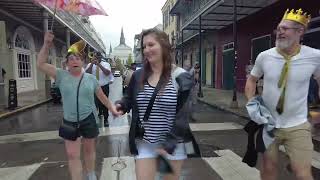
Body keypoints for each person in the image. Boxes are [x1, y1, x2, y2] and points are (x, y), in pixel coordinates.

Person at [245, 9, 320, 180]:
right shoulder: (264, 56)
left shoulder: (315, 56)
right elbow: (251, 80)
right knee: (268, 169)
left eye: (285, 29)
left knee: (302, 172)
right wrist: (252, 104)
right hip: (268, 124)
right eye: (278, 28)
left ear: (299, 31)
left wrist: (316, 113)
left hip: (299, 125)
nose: (279, 32)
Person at [115, 28, 200, 180]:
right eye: (144, 47)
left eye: (151, 45)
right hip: (145, 142)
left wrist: (167, 145)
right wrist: (121, 105)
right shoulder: (138, 75)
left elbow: (183, 116)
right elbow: (129, 97)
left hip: (172, 145)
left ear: (164, 46)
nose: (146, 50)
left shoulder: (181, 77)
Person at [37, 32, 121, 180]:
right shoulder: (60, 75)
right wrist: (46, 44)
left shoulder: (90, 79)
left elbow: (102, 97)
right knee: (72, 154)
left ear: (82, 61)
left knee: (89, 150)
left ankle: (90, 173)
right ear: (67, 63)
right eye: (71, 58)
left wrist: (112, 108)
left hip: (88, 118)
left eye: (77, 58)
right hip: (69, 121)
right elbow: (40, 64)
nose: (74, 61)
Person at [85, 52, 112, 127]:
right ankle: (93, 120)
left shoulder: (106, 64)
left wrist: (99, 65)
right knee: (93, 104)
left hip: (104, 87)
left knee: (105, 103)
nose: (97, 58)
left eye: (98, 57)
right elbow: (87, 73)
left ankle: (106, 119)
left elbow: (107, 73)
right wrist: (91, 64)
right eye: (95, 57)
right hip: (93, 87)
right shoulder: (90, 64)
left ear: (101, 57)